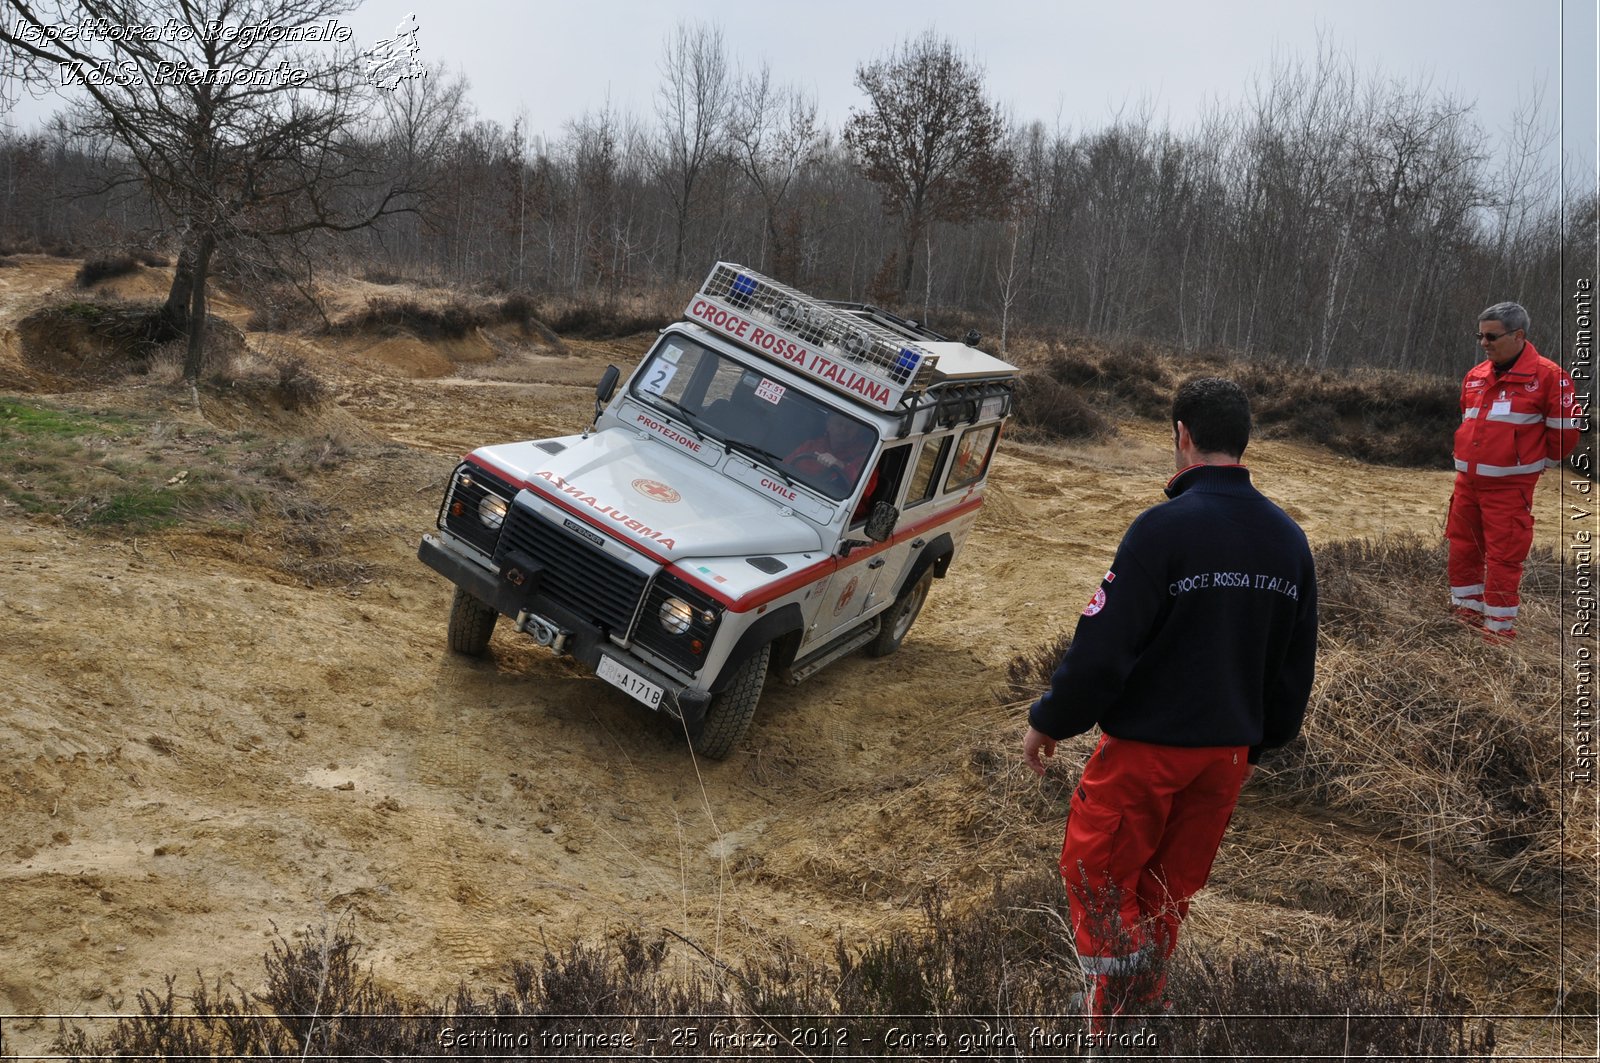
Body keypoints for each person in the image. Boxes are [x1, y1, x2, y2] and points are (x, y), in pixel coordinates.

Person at [1022, 377, 1318, 1028]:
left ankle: (1115, 1028)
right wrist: (1253, 743)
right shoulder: (1289, 541)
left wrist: (1051, 719)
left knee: (1099, 880)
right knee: (1164, 895)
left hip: (1147, 752)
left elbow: (1102, 651)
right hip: (1226, 758)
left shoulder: (1161, 530)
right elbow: (1295, 671)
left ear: (1182, 435)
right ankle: (1145, 1009)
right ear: (1244, 440)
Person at [1448, 302, 1583, 641]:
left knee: (1504, 555)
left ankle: (1498, 628)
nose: (1484, 343)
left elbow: (1566, 431)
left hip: (1510, 488)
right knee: (1463, 546)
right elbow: (1468, 420)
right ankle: (1466, 610)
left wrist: (1539, 463)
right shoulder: (1476, 376)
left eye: (1491, 336)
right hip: (1468, 483)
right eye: (1480, 335)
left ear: (1518, 335)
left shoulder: (1550, 377)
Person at [787, 411, 876, 498]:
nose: (843, 429)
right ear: (828, 425)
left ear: (857, 432)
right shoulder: (810, 446)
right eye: (839, 423)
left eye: (850, 427)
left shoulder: (867, 457)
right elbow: (785, 465)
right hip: (796, 492)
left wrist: (843, 466)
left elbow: (868, 491)